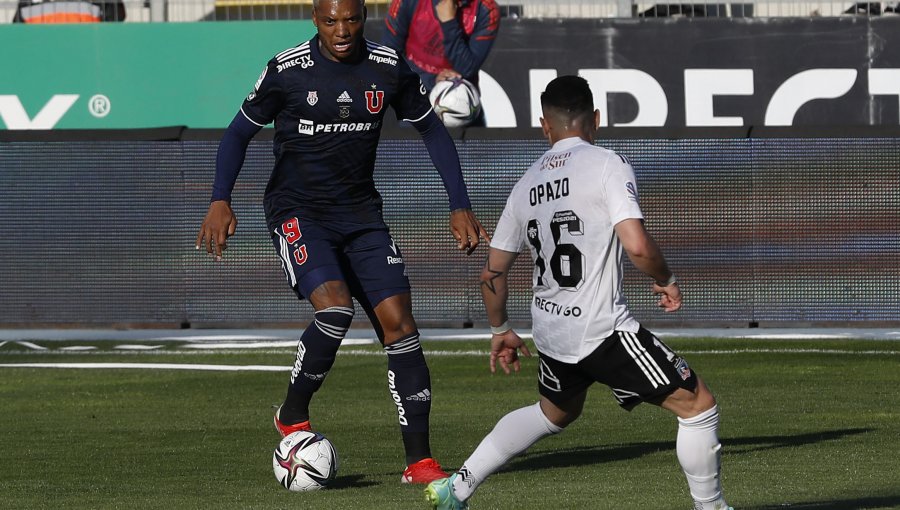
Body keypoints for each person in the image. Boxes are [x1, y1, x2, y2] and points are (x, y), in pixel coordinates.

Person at [195, 0, 490, 485]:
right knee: (334, 310)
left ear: (363, 19)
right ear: (315, 19)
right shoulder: (286, 71)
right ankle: (292, 414)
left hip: (362, 218)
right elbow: (237, 133)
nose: (342, 30)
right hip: (298, 213)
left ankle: (419, 462)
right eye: (331, 21)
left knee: (401, 326)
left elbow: (433, 130)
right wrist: (220, 199)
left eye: (350, 19)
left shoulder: (387, 68)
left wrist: (459, 203)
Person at [424, 75, 733, 509]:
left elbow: (492, 274)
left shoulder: (526, 184)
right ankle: (712, 507)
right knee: (697, 405)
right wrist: (665, 279)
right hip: (600, 329)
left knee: (554, 413)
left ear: (544, 127)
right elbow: (638, 245)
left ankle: (455, 489)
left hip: (551, 330)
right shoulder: (608, 163)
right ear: (597, 120)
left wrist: (501, 329)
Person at [382, 0, 500, 125]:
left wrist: (448, 23)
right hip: (417, 101)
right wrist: (431, 80)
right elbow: (389, 60)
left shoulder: (486, 8)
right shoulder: (405, 2)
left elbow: (467, 69)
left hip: (462, 104)